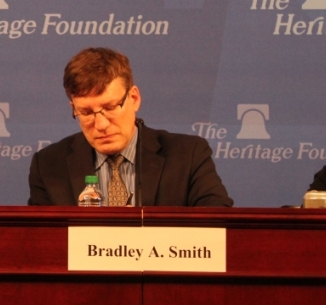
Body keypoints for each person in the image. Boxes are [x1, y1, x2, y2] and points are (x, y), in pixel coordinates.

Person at [28, 47, 233, 207]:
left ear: (134, 98)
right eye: (87, 112)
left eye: (110, 107)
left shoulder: (188, 155)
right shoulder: (48, 165)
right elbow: (41, 240)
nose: (101, 124)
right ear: (73, 108)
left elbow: (218, 225)